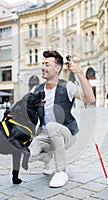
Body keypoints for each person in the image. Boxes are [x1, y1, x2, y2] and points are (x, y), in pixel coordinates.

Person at [29, 50, 95, 188]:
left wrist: (80, 73)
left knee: (52, 126)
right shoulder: (37, 89)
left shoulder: (67, 86)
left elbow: (90, 99)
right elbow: (27, 111)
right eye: (42, 64)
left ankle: (61, 172)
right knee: (26, 154)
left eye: (47, 64)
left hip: (66, 133)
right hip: (45, 134)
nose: (43, 67)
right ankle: (47, 157)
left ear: (57, 68)